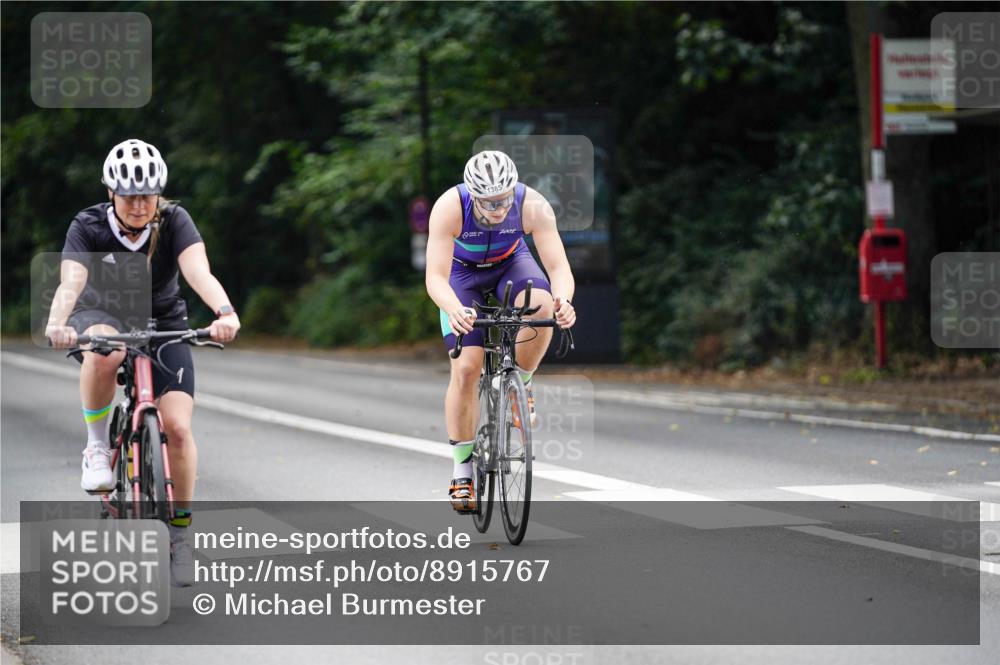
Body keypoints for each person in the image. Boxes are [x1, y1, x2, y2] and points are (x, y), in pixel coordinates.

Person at [45, 139, 240, 586]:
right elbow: (71, 282)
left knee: (178, 428)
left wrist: (224, 312)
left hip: (164, 321)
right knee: (107, 348)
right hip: (101, 318)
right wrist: (59, 323)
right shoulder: (88, 226)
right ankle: (97, 445)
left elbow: (197, 271)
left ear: (159, 194)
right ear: (111, 192)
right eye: (129, 195)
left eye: (147, 195)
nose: (138, 205)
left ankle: (181, 537)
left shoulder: (174, 221)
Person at [425, 150, 577, 512]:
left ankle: (521, 384)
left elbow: (558, 267)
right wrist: (454, 308)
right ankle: (462, 469)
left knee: (540, 307)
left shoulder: (532, 205)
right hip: (461, 275)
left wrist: (564, 301)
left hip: (512, 262)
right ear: (473, 193)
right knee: (465, 369)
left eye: (504, 199)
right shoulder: (449, 206)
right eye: (490, 202)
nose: (498, 208)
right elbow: (435, 277)